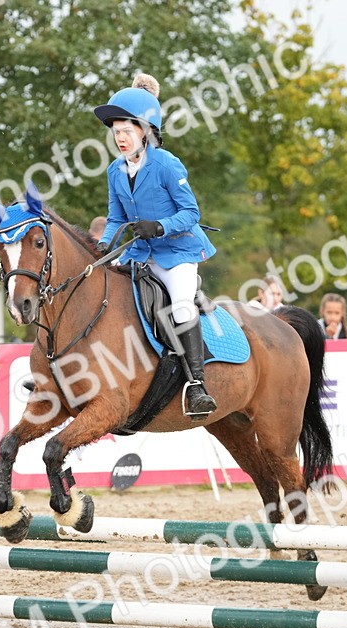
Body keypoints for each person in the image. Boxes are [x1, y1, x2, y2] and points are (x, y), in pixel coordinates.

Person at [94, 73, 218, 417]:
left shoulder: (166, 164)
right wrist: (103, 245)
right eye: (116, 132)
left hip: (177, 253)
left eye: (126, 131)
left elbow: (191, 213)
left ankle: (197, 385)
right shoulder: (115, 171)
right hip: (140, 254)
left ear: (145, 131)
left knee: (180, 306)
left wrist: (160, 226)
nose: (120, 138)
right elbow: (115, 217)